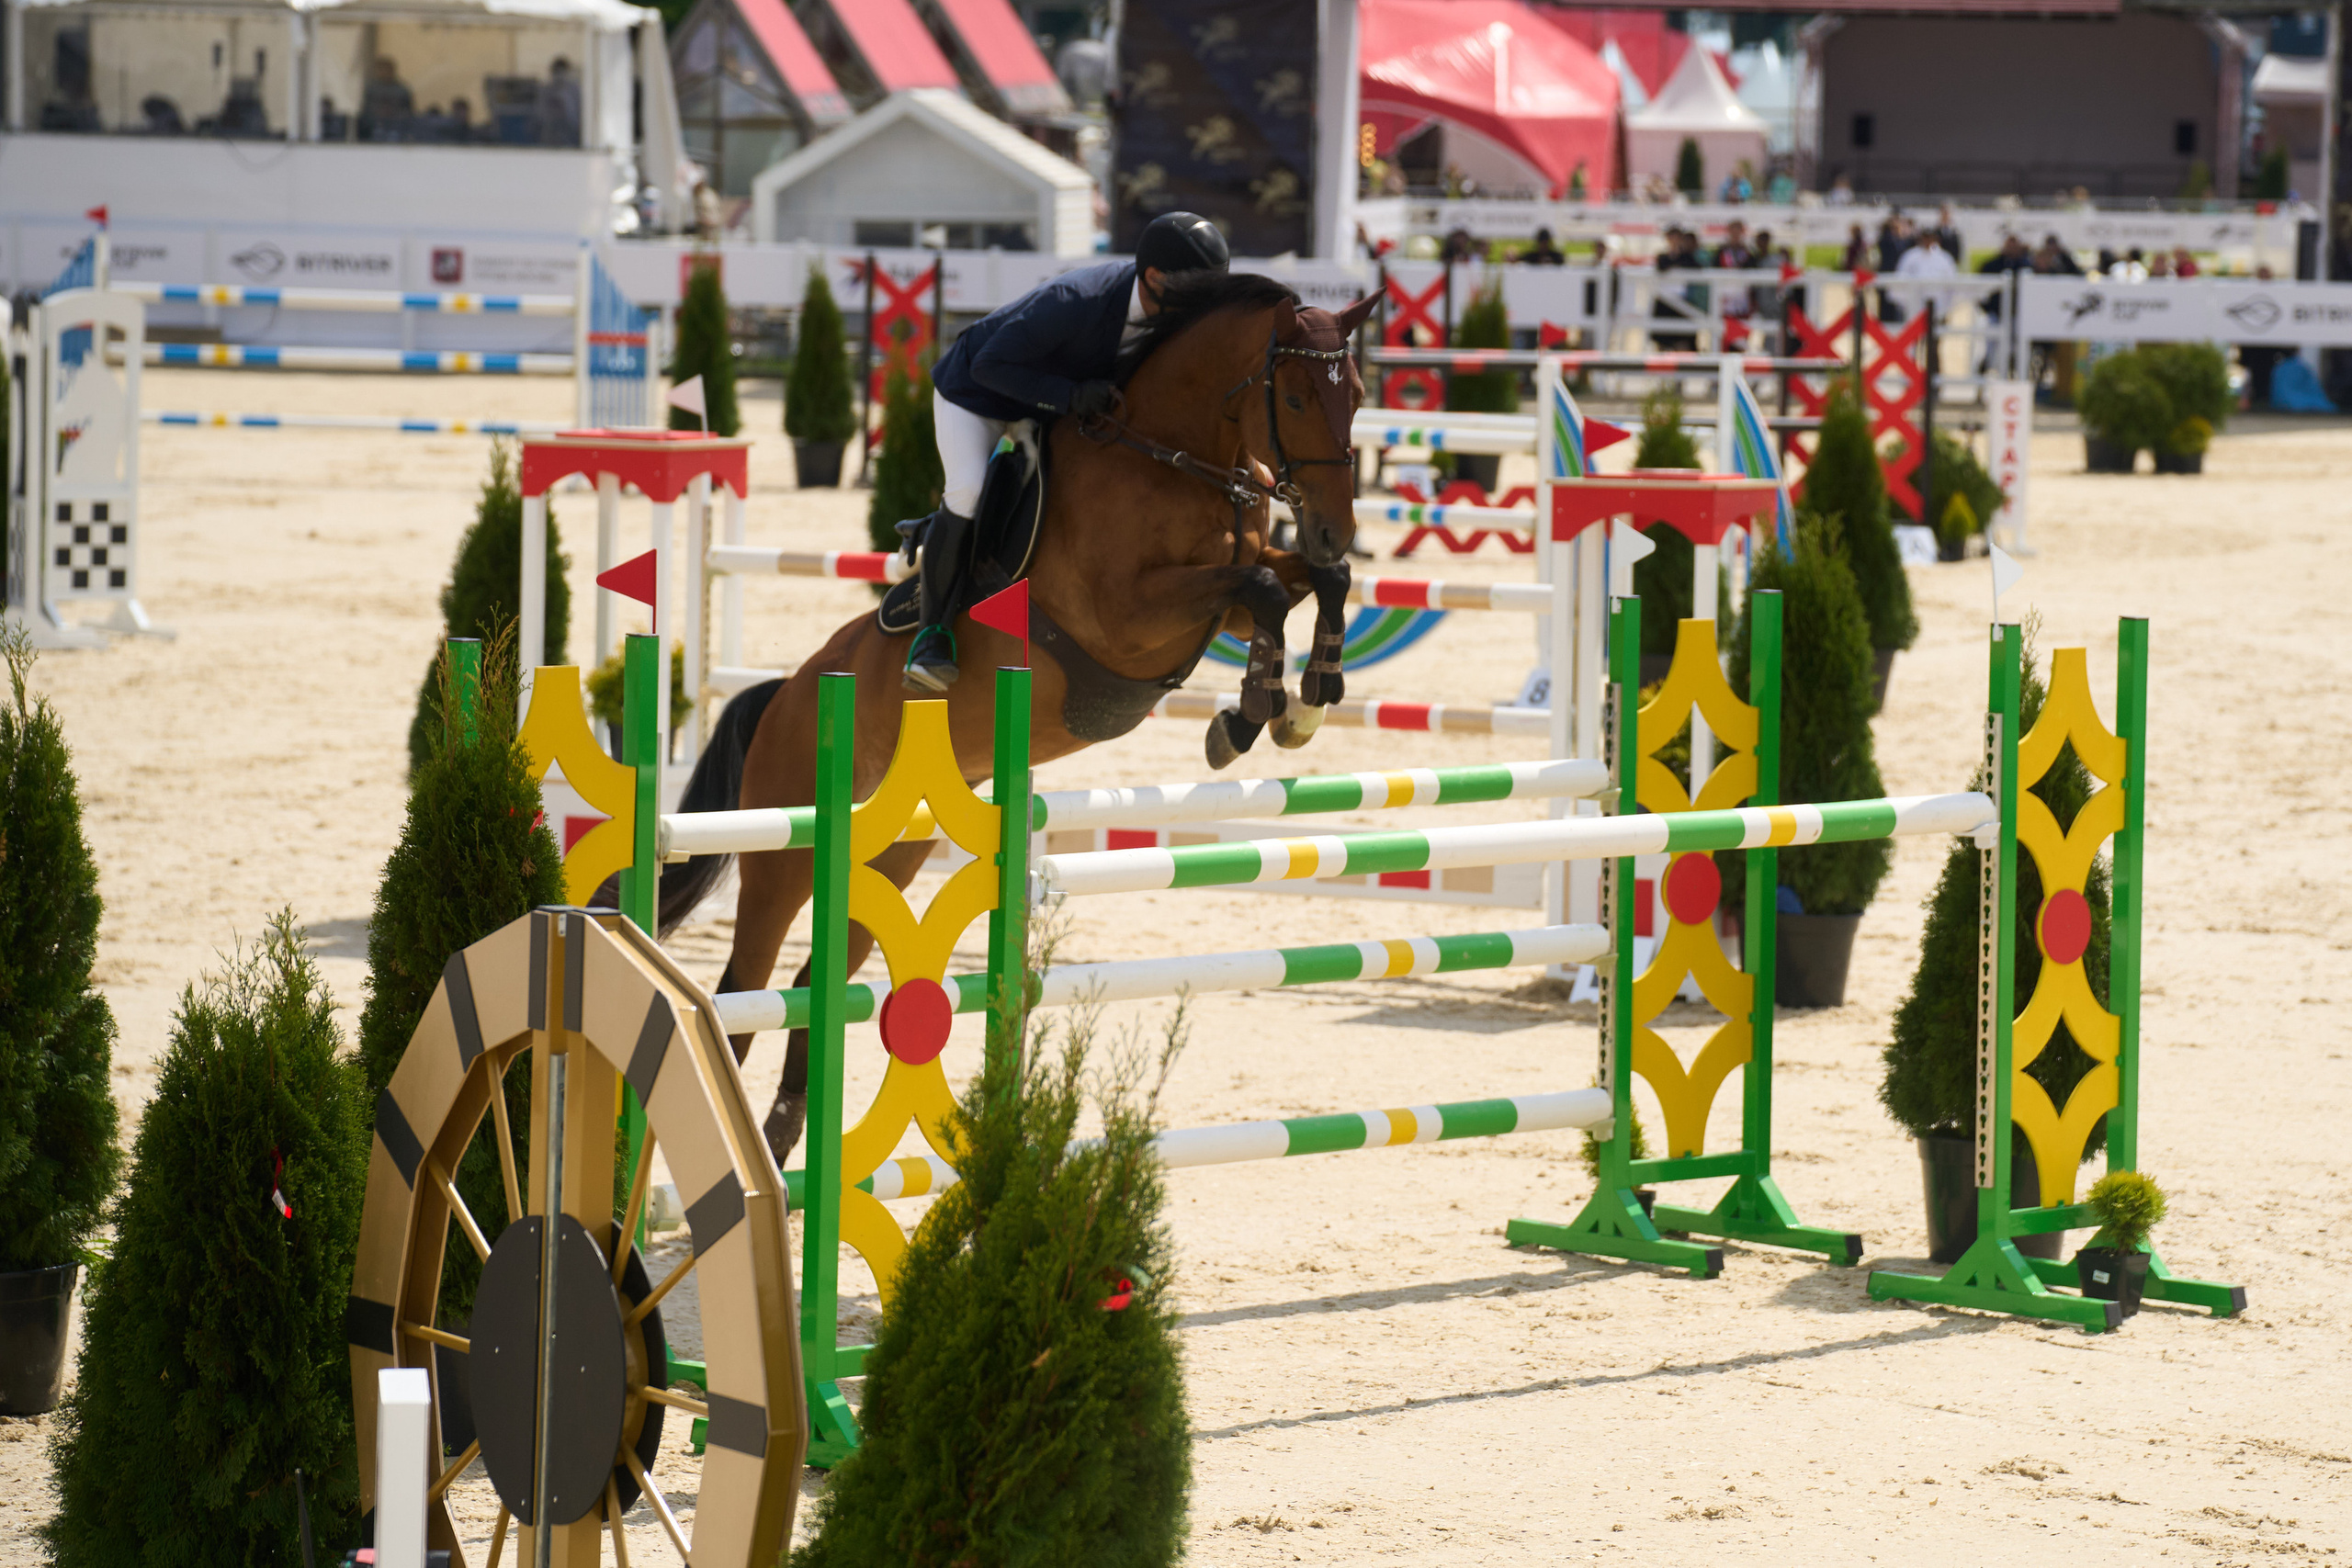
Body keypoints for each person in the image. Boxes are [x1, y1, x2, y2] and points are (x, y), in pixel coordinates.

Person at [909, 212, 1232, 691]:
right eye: (1198, 291)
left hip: (1049, 406)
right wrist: (1069, 395)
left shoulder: (1171, 316)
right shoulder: (1076, 300)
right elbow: (990, 367)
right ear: (1155, 278)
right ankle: (931, 637)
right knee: (969, 490)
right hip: (977, 394)